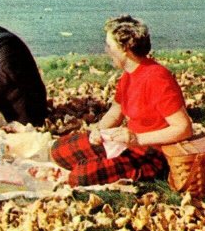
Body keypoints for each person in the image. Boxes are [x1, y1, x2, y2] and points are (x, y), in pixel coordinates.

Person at [51, 15, 193, 187]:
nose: (106, 50)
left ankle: (101, 165)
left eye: (109, 46)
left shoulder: (157, 78)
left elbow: (183, 128)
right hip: (126, 143)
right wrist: (99, 130)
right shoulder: (128, 76)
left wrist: (137, 139)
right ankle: (104, 162)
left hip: (153, 154)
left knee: (79, 177)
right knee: (59, 150)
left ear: (125, 48)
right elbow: (115, 112)